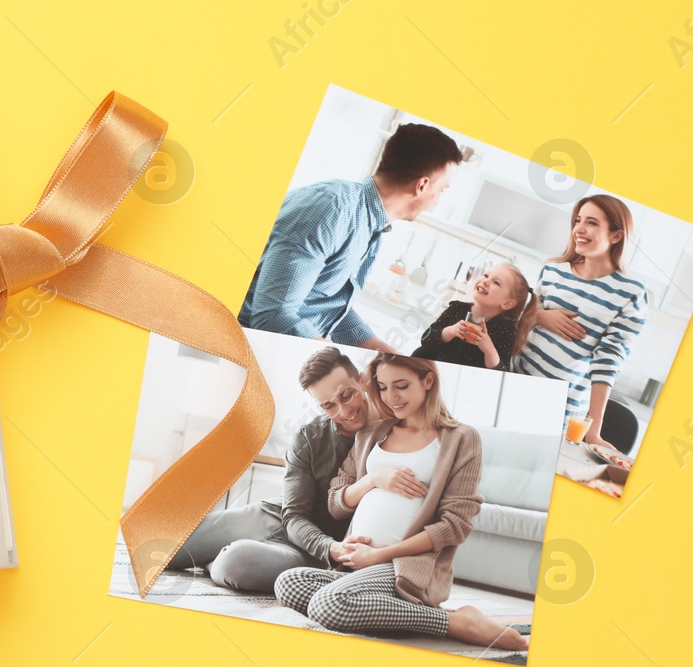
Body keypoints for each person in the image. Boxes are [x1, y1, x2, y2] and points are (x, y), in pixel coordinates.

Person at [273, 354, 526, 651]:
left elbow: (454, 526)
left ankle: (456, 624)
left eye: (401, 386)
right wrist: (372, 479)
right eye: (382, 387)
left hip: (401, 566)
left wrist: (380, 555)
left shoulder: (461, 438)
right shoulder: (371, 434)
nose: (391, 397)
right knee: (288, 582)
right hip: (356, 563)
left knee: (329, 605)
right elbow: (335, 503)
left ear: (428, 381)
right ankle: (433, 616)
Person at [240, 123, 471, 350]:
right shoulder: (331, 210)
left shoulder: (368, 223)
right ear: (422, 185)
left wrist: (381, 350)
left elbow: (328, 303)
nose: (437, 201)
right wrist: (337, 361)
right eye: (441, 190)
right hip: (236, 346)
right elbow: (272, 315)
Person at [170, 347, 374, 593]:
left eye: (347, 395)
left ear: (361, 381)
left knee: (233, 564)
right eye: (329, 405)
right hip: (274, 517)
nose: (343, 411)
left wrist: (331, 549)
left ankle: (214, 561)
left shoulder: (395, 434)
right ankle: (217, 551)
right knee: (166, 543)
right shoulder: (309, 436)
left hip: (315, 552)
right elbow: (294, 515)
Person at [514, 195, 647, 453]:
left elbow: (609, 360)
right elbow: (518, 321)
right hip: (513, 382)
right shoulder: (553, 270)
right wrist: (540, 316)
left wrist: (593, 430)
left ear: (616, 236)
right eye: (578, 221)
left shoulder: (631, 293)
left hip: (559, 407)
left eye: (592, 223)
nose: (579, 229)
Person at [412, 262, 539, 370]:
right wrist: (451, 331)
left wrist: (488, 348)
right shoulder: (456, 309)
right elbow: (426, 340)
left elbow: (501, 372)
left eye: (496, 282)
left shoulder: (506, 330)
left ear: (507, 303)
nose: (485, 281)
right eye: (486, 275)